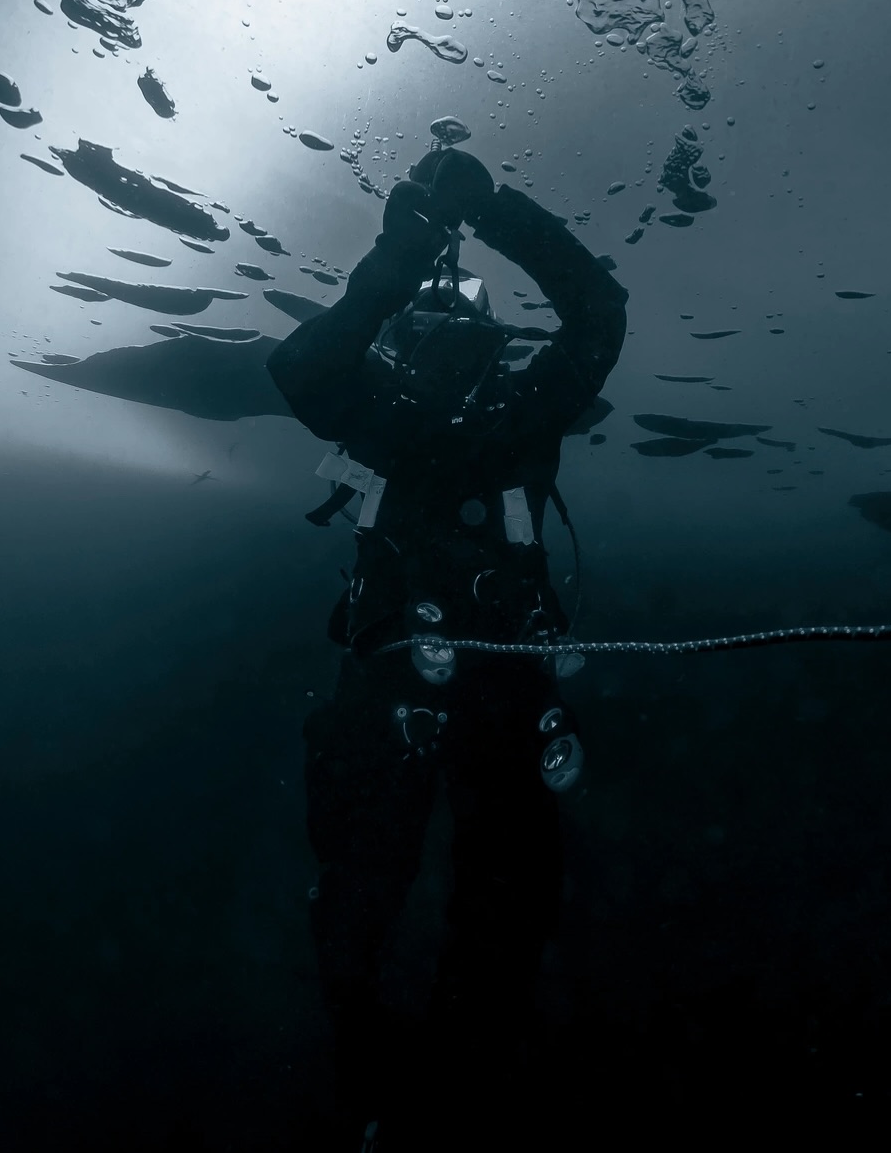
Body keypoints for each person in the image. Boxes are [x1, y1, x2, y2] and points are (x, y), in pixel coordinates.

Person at [267, 143, 628, 1149]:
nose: (450, 320)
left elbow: (598, 315)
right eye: (430, 306)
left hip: (505, 693)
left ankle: (454, 1096)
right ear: (400, 331)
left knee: (503, 911)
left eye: (462, 307)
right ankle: (372, 1085)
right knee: (357, 898)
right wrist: (403, 247)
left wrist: (494, 210)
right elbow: (297, 365)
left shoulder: (517, 412)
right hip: (390, 687)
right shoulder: (377, 412)